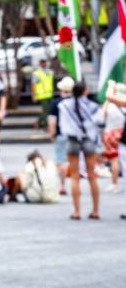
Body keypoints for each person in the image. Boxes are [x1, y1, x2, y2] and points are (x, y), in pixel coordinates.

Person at [58, 81, 101, 220]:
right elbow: (99, 122)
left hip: (72, 140)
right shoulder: (92, 106)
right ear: (85, 91)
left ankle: (77, 211)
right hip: (88, 139)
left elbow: (63, 125)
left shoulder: (64, 105)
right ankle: (95, 210)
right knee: (92, 175)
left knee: (75, 176)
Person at [48, 76, 74, 196]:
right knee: (74, 160)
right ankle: (75, 183)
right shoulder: (76, 102)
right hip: (75, 135)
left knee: (61, 160)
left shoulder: (56, 103)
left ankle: (62, 185)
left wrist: (52, 134)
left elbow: (52, 121)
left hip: (61, 134)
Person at [97, 98, 124, 192]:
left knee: (114, 159)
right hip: (121, 133)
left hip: (110, 133)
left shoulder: (109, 106)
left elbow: (100, 117)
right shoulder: (122, 105)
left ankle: (114, 183)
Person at [31, 58, 54, 128]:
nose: (44, 64)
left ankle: (39, 121)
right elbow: (33, 85)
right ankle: (45, 125)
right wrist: (34, 95)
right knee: (46, 110)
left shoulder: (50, 72)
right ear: (40, 64)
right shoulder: (37, 73)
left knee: (48, 110)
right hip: (42, 95)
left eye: (44, 62)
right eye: (42, 62)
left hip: (49, 94)